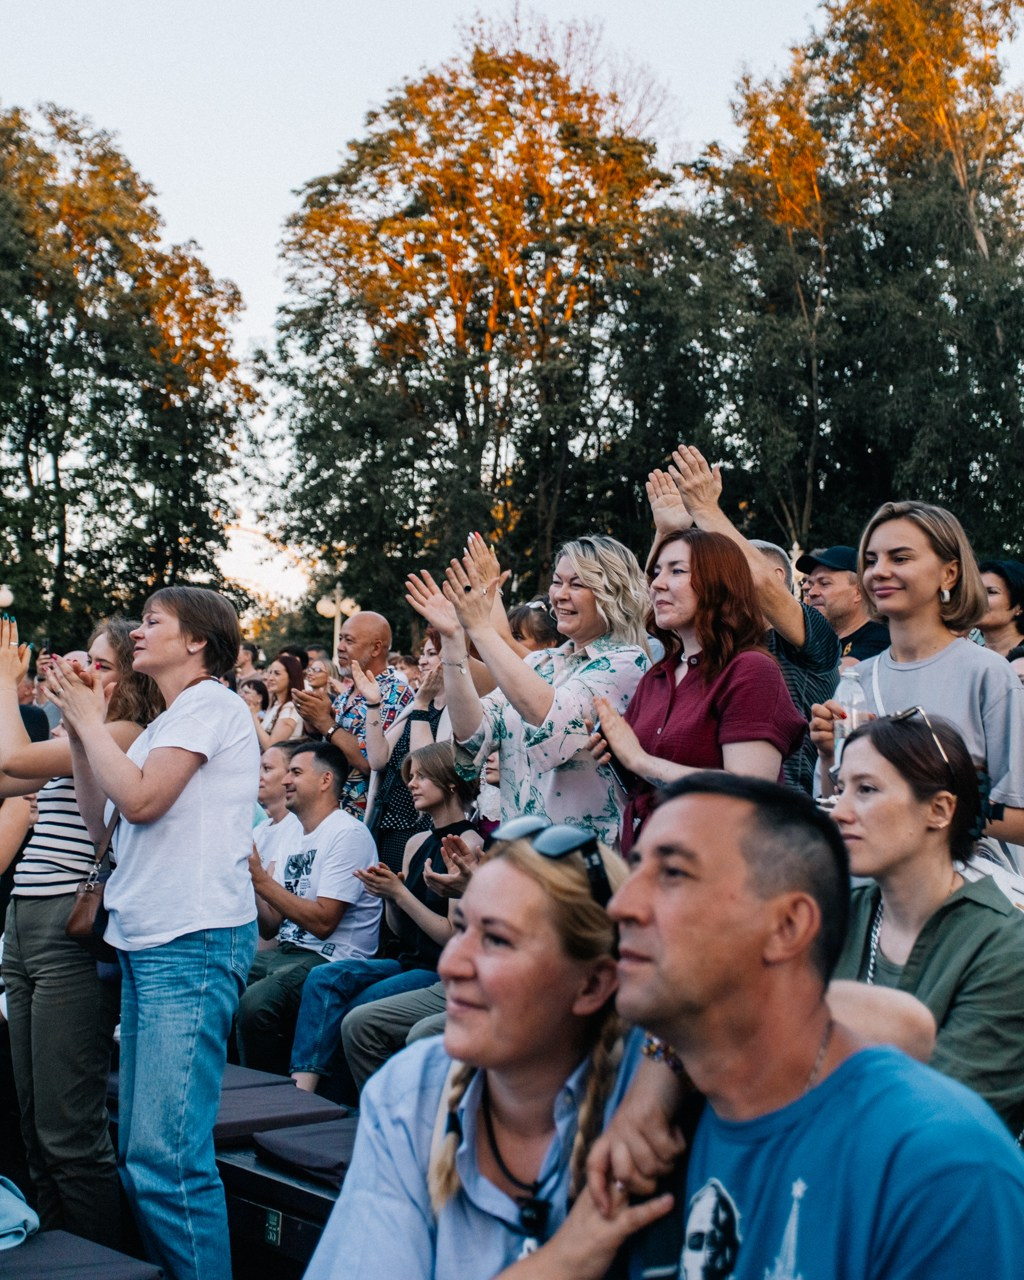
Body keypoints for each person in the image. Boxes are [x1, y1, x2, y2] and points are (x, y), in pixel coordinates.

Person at [599, 773, 1024, 1277]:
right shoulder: (646, 1126)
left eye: (673, 874)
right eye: (636, 869)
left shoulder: (940, 1168)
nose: (621, 906)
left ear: (788, 927)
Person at [304, 823, 669, 1280]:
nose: (451, 965)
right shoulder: (411, 1093)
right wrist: (557, 1264)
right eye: (461, 929)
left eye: (496, 939)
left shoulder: (654, 1102)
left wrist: (663, 1074)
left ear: (593, 984)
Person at [44, 586, 260, 1280]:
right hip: (153, 942)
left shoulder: (213, 705)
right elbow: (103, 824)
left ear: (196, 640)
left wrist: (87, 718)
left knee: (167, 1163)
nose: (136, 632)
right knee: (145, 1156)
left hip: (192, 941)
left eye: (152, 621)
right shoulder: (169, 720)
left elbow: (140, 800)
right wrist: (83, 731)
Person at [0, 618, 162, 1249]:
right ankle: (61, 1254)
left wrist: (7, 684)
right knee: (34, 1123)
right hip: (24, 918)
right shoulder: (74, 734)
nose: (81, 670)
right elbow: (7, 779)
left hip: (66, 926)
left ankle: (101, 1257)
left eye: (99, 663)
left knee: (69, 1130)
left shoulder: (123, 733)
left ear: (128, 679)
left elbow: (11, 760)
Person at [831, 712, 1024, 1131]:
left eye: (866, 789)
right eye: (839, 788)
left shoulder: (1005, 948)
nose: (839, 811)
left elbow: (943, 1123)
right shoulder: (836, 916)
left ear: (939, 810)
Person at [407, 535, 651, 845]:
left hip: (581, 858)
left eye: (576, 585)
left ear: (612, 593)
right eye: (557, 582)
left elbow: (550, 718)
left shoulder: (627, 663)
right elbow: (473, 733)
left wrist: (480, 628)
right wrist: (454, 640)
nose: (559, 595)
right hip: (519, 854)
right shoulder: (540, 663)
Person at [811, 501, 1024, 848]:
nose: (879, 571)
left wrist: (918, 793)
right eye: (871, 560)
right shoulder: (856, 681)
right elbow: (836, 812)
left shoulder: (987, 675)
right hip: (869, 879)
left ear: (949, 573)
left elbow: (1020, 819)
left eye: (900, 558)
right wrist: (828, 756)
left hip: (959, 877)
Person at [589, 528, 806, 852]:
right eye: (657, 572)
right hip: (648, 858)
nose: (657, 583)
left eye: (676, 571)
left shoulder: (751, 671)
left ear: (719, 583)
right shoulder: (656, 677)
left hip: (717, 863)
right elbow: (640, 790)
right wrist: (616, 757)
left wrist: (639, 760)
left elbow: (749, 791)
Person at [290, 741, 482, 1093]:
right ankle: (304, 1088)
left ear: (451, 782)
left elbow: (451, 935)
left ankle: (370, 1102)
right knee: (325, 977)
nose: (411, 784)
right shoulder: (416, 842)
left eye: (422, 777)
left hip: (437, 970)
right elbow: (401, 930)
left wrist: (399, 893)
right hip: (407, 962)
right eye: (411, 776)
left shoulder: (468, 844)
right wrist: (389, 896)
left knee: (359, 1010)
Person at [651, 445, 840, 792]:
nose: (719, 582)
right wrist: (668, 532)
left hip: (783, 812)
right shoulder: (717, 646)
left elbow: (759, 583)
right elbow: (657, 610)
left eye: (728, 571)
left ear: (777, 575)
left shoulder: (810, 642)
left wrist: (705, 510)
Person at [239, 741, 379, 1075]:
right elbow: (270, 926)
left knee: (255, 1005)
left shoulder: (347, 834)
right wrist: (246, 877)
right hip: (288, 951)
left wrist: (261, 881)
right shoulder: (293, 836)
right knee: (221, 978)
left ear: (325, 780)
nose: (286, 780)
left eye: (296, 773)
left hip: (331, 957)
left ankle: (273, 1094)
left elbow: (323, 922)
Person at [293, 612, 413, 820]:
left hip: (367, 820)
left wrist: (325, 722)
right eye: (340, 639)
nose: (339, 647)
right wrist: (313, 720)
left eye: (348, 640)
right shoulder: (344, 696)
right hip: (329, 816)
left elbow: (371, 762)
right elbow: (333, 748)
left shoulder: (395, 692)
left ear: (376, 648)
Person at [356, 628, 452, 870]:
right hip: (389, 821)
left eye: (431, 653)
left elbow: (427, 767)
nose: (422, 660)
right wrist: (373, 703)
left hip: (422, 825)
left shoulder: (454, 712)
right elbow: (377, 759)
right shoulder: (414, 706)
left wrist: (421, 703)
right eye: (423, 653)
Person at [796, 545, 889, 663]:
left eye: (824, 583)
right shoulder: (818, 639)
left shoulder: (880, 640)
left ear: (858, 593)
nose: (811, 592)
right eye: (811, 584)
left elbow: (842, 673)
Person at [251, 652, 305, 749]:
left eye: (277, 673)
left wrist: (253, 717)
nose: (270, 678)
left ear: (291, 677)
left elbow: (271, 746)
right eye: (270, 672)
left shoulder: (291, 708)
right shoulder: (276, 704)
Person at [977, 559, 1024, 658]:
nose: (978, 598)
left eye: (991, 592)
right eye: (975, 591)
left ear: (1019, 607)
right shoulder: (968, 656)